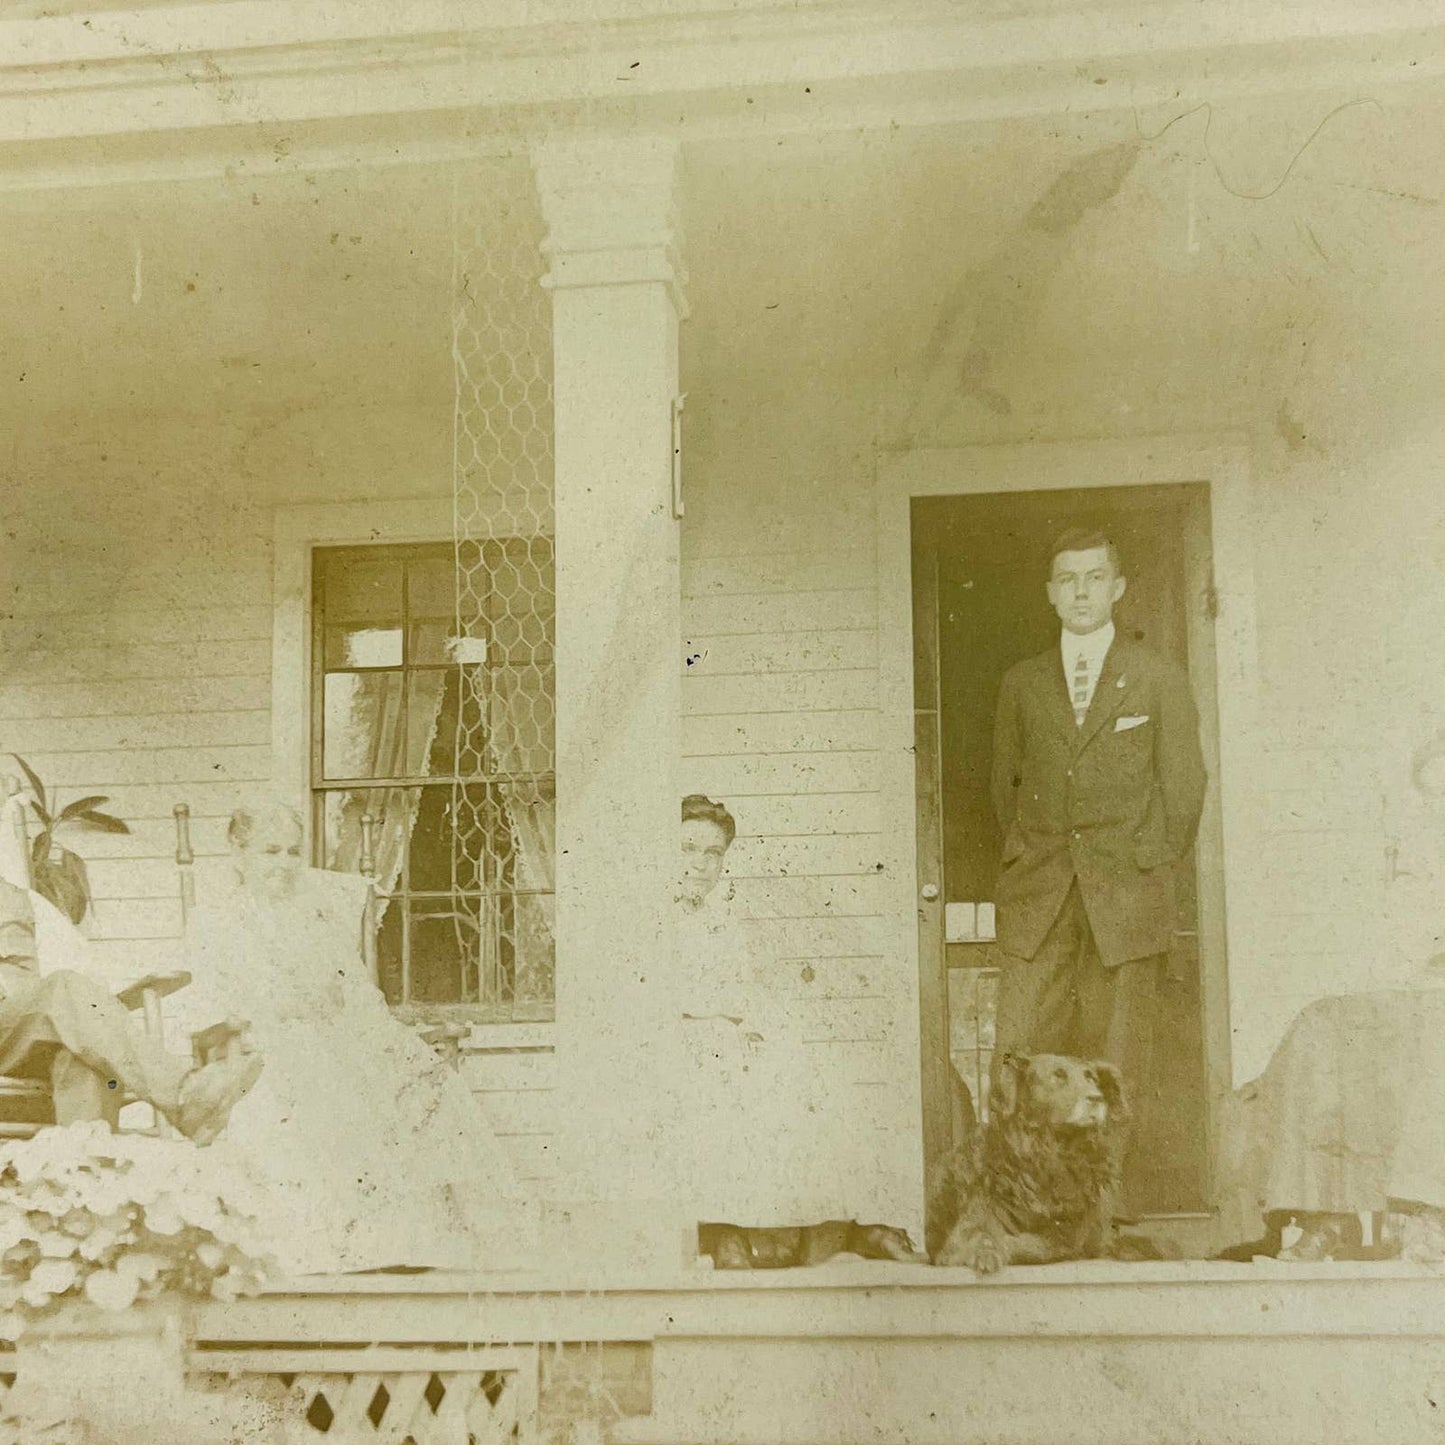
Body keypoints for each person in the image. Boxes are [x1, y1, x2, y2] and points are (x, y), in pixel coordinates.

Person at [182, 801, 531, 1276]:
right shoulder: (216, 921)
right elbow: (219, 1003)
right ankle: (348, 1239)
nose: (284, 864)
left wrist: (363, 1023)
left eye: (292, 852)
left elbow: (351, 988)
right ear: (237, 852)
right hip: (261, 1044)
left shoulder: (312, 917)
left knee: (416, 1077)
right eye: (270, 852)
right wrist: (289, 1006)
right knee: (323, 1079)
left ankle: (408, 1236)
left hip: (333, 1034)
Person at [989, 527, 1207, 1188]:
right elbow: (1005, 789)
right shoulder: (1022, 682)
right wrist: (1035, 856)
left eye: (1094, 577)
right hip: (1041, 899)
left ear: (1115, 588)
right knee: (1021, 1052)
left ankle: (1101, 1212)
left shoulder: (1157, 676)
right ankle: (1023, 1200)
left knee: (1113, 1066)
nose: (1081, 591)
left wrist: (1148, 861)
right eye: (1067, 579)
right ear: (1051, 593)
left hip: (1125, 899)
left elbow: (1184, 786)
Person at [0, 849, 262, 1145]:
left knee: (85, 1056)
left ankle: (85, 1170)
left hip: (16, 1034)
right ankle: (184, 1094)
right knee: (63, 987)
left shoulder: (14, 898)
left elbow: (27, 985)